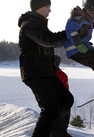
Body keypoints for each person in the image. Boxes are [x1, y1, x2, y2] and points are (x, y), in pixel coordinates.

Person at [18, 0, 74, 136]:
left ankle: (57, 134)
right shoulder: (30, 24)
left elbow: (51, 42)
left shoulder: (38, 24)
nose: (50, 10)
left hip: (46, 73)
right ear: (39, 7)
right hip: (36, 74)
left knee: (66, 99)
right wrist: (70, 33)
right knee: (49, 109)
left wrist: (75, 39)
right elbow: (48, 40)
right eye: (48, 7)